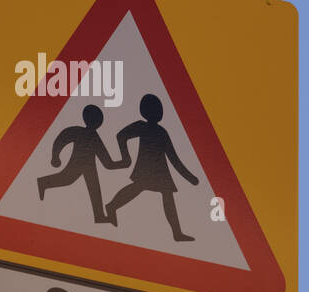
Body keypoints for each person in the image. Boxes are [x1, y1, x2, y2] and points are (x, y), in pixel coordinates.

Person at [105, 93, 199, 242]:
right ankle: (111, 206)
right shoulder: (141, 126)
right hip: (147, 167)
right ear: (147, 111)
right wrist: (126, 157)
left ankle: (177, 233)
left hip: (160, 170)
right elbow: (121, 136)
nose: (159, 112)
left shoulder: (162, 132)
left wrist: (189, 176)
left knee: (163, 194)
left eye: (159, 109)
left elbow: (173, 157)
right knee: (138, 188)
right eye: (156, 109)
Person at [37, 104, 123, 223]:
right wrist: (55, 156)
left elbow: (106, 162)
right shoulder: (80, 132)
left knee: (94, 189)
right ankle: (42, 183)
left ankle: (99, 216)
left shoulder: (93, 136)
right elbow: (63, 138)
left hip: (89, 167)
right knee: (67, 179)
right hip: (78, 164)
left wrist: (122, 164)